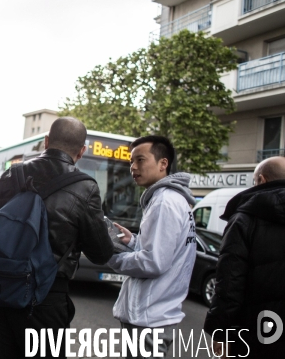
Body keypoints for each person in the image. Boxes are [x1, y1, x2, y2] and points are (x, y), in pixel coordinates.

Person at [0, 117, 114, 359]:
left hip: (1, 291)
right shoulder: (86, 188)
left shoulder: (13, 174)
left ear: (46, 142)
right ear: (82, 151)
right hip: (45, 297)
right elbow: (101, 253)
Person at [108, 135, 197, 358]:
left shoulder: (164, 202)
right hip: (155, 316)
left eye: (140, 160)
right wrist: (134, 241)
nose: (133, 167)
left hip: (149, 319)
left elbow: (153, 262)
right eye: (131, 162)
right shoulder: (171, 199)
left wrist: (109, 256)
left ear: (163, 163)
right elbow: (166, 250)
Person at [204, 156, 285, 358]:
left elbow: (230, 281)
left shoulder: (245, 218)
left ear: (262, 180)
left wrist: (221, 331)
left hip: (255, 330)